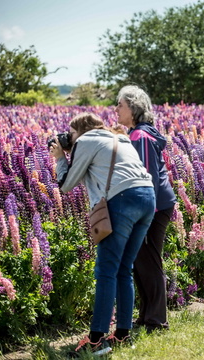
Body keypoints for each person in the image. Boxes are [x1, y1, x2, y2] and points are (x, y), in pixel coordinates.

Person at [49, 112, 155, 356]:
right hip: (147, 198)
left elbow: (65, 185)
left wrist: (60, 158)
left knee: (106, 271)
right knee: (123, 269)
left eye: (71, 133)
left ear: (81, 131)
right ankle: (123, 334)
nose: (68, 138)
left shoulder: (86, 141)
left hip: (122, 201)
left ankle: (96, 340)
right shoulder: (119, 138)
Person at [116, 85, 177, 332]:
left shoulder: (140, 136)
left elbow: (147, 175)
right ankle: (146, 316)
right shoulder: (137, 133)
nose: (116, 109)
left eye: (120, 104)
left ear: (133, 108)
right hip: (151, 205)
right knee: (140, 260)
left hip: (152, 206)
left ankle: (157, 320)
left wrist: (142, 212)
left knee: (148, 260)